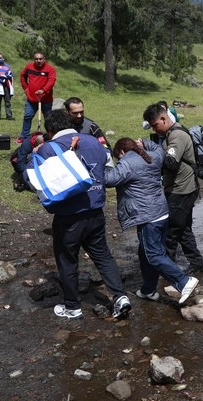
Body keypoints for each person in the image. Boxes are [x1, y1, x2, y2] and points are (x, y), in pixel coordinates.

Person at [24, 110, 130, 319]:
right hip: (96, 210)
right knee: (103, 256)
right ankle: (120, 296)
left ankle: (72, 306)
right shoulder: (93, 142)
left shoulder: (47, 149)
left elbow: (32, 179)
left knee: (67, 260)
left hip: (68, 215)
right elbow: (105, 165)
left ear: (50, 130)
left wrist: (32, 155)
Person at [105, 138, 199, 304]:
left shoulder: (127, 164)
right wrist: (144, 141)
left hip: (148, 217)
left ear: (121, 152)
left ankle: (184, 282)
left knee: (154, 254)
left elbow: (108, 179)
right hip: (161, 213)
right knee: (146, 252)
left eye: (118, 157)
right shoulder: (154, 156)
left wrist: (100, 163)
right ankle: (148, 290)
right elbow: (158, 148)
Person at [143, 102, 203, 275]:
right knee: (184, 230)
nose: (155, 130)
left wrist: (147, 155)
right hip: (183, 189)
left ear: (163, 118)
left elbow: (171, 164)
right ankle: (197, 264)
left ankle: (168, 271)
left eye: (155, 125)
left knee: (170, 232)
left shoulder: (176, 136)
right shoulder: (172, 133)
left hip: (181, 191)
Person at [18, 51, 57, 142]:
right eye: (36, 59)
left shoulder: (50, 69)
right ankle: (23, 136)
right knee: (27, 116)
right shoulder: (29, 66)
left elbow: (51, 81)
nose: (38, 61)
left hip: (46, 99)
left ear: (44, 59)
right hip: (31, 99)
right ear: (33, 59)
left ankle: (51, 136)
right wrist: (26, 88)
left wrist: (43, 90)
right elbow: (22, 76)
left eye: (40, 59)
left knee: (48, 118)